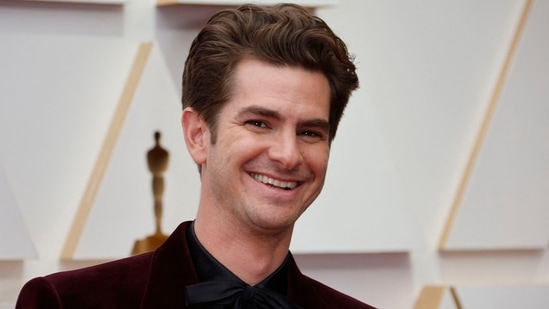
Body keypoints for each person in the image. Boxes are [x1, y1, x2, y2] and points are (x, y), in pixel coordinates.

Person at [16, 3, 375, 308]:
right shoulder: (66, 302)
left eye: (309, 132)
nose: (287, 155)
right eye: (259, 123)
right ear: (197, 135)